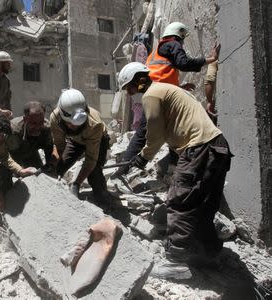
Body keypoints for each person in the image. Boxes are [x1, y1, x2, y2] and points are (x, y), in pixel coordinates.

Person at [118, 62, 232, 275]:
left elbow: (155, 134)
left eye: (129, 88)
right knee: (203, 206)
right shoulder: (171, 91)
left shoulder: (152, 94)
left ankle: (175, 262)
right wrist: (171, 168)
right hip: (218, 147)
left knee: (179, 202)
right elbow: (175, 134)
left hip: (198, 149)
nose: (130, 93)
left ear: (138, 81)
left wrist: (142, 159)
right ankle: (211, 255)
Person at [113, 22, 221, 176]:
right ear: (179, 36)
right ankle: (123, 171)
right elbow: (183, 63)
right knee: (146, 134)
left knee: (164, 130)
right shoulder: (172, 44)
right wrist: (210, 59)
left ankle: (170, 169)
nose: (182, 44)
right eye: (182, 40)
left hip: (154, 93)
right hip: (157, 95)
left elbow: (160, 77)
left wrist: (180, 88)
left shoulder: (157, 51)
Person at [50, 89, 111, 204]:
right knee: (59, 165)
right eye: (70, 124)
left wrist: (76, 184)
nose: (74, 127)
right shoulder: (55, 118)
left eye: (78, 124)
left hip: (98, 139)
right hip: (76, 141)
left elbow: (90, 160)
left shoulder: (95, 124)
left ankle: (101, 196)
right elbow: (59, 146)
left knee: (95, 172)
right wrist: (52, 165)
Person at [0, 101, 55, 194]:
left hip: (31, 153)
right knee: (3, 172)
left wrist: (49, 167)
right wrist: (19, 170)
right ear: (25, 119)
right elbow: (2, 155)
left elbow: (49, 150)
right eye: (33, 123)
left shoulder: (46, 128)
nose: (37, 126)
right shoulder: (12, 130)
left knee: (41, 175)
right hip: (11, 156)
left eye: (40, 122)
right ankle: (5, 199)